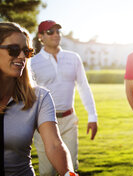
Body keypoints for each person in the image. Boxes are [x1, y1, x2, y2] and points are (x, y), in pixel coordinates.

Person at [0, 22, 78, 176]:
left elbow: (55, 145)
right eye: (14, 50)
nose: (22, 56)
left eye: (26, 51)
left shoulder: (39, 97)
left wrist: (68, 173)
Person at [30, 20, 98, 176]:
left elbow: (84, 87)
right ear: (41, 36)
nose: (55, 35)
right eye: (50, 32)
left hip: (69, 120)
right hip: (44, 123)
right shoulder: (33, 63)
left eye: (58, 31)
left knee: (71, 169)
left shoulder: (73, 58)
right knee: (47, 172)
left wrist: (92, 116)